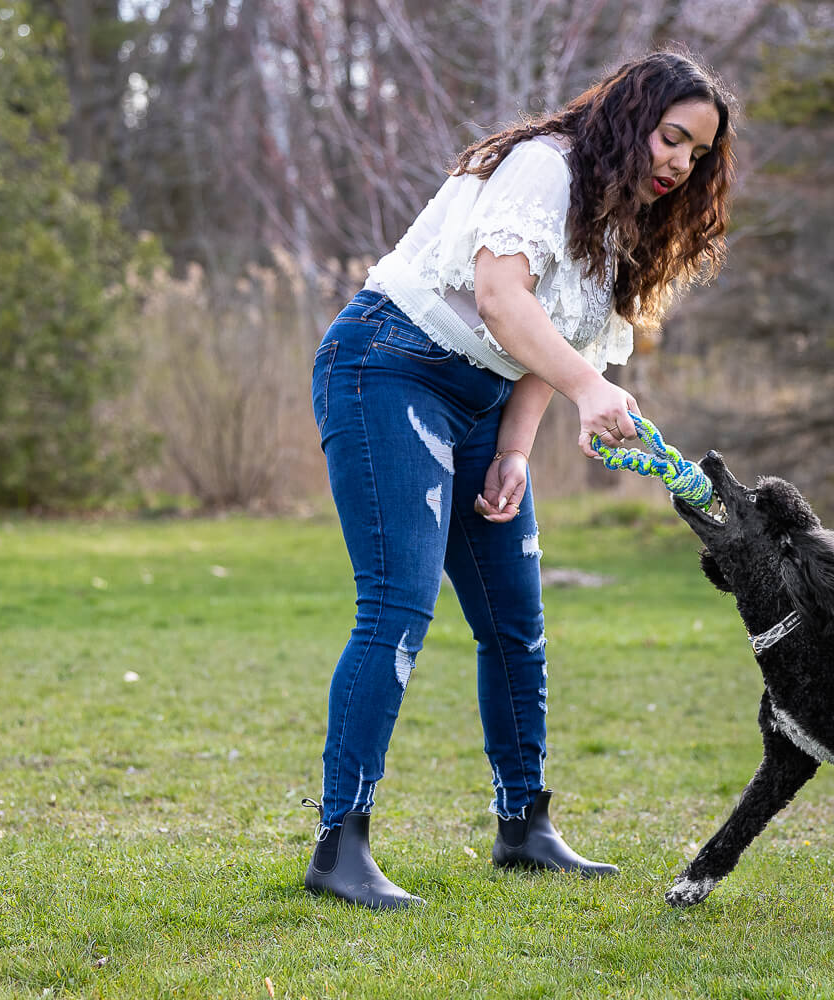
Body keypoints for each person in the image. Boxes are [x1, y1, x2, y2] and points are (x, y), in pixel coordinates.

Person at [304, 50, 735, 909]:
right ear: (631, 116)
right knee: (397, 602)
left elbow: (555, 338)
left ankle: (524, 825)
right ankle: (339, 846)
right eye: (672, 137)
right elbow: (503, 299)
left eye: (697, 154)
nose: (681, 163)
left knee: (516, 621)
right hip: (389, 368)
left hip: (481, 405)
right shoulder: (547, 168)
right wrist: (589, 387)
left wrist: (514, 449)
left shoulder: (617, 225)